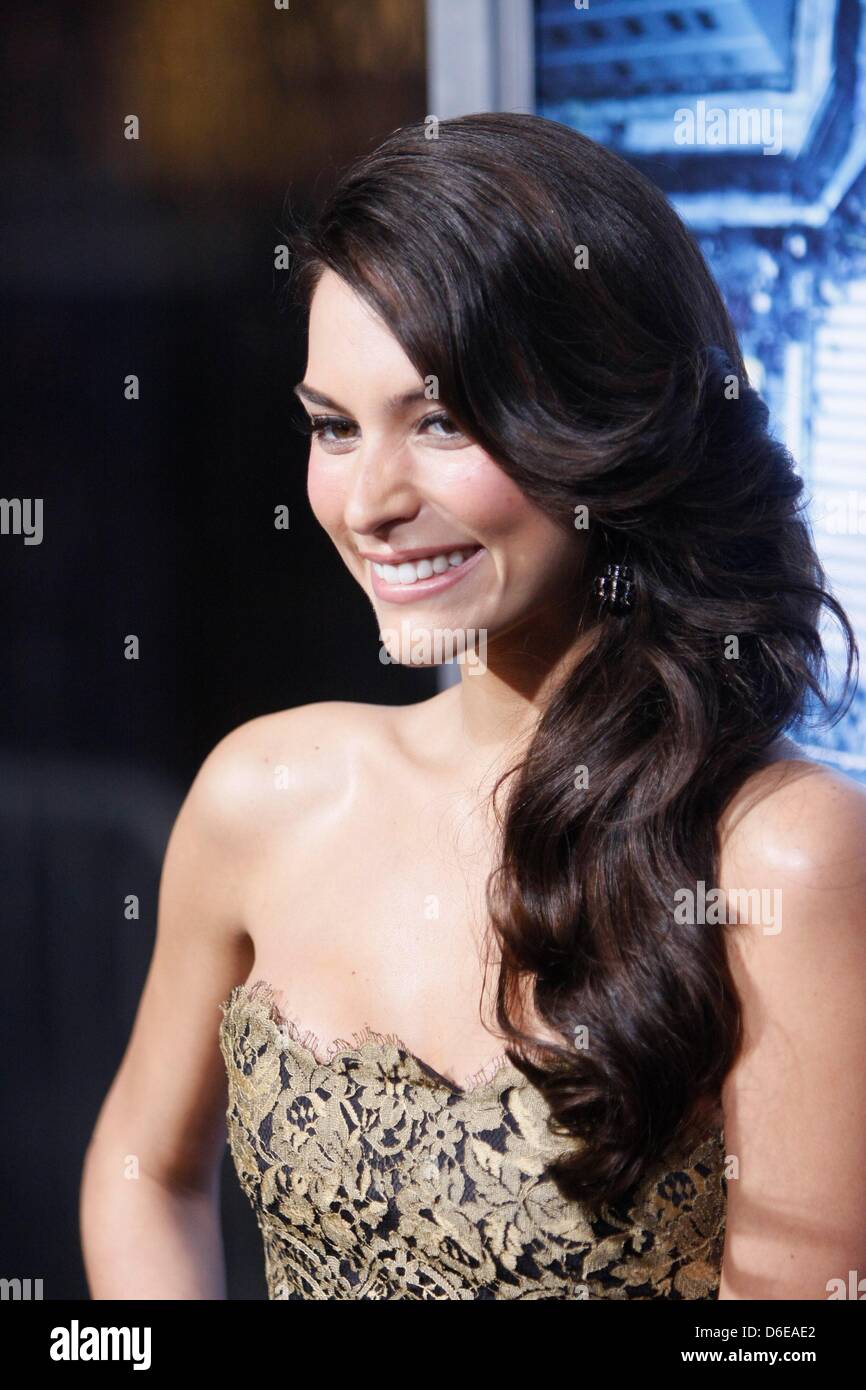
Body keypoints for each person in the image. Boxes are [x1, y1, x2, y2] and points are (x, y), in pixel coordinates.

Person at [81, 112, 866, 1301]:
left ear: (608, 423)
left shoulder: (779, 854)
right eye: (334, 428)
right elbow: (143, 1170)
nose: (369, 500)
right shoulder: (264, 793)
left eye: (440, 420)